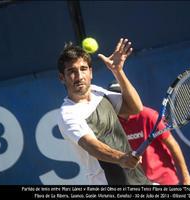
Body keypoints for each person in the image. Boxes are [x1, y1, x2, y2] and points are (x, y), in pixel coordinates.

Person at [57, 38, 152, 185]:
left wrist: (118, 71)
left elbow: (135, 108)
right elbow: (91, 146)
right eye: (72, 71)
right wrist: (121, 158)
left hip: (138, 179)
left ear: (91, 72)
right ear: (62, 78)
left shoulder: (98, 92)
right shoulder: (68, 114)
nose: (79, 76)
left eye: (83, 69)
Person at [108, 80, 190, 185]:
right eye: (112, 98)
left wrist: (186, 177)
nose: (117, 101)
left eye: (120, 96)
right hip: (138, 182)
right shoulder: (110, 121)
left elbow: (172, 144)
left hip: (164, 180)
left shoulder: (148, 115)